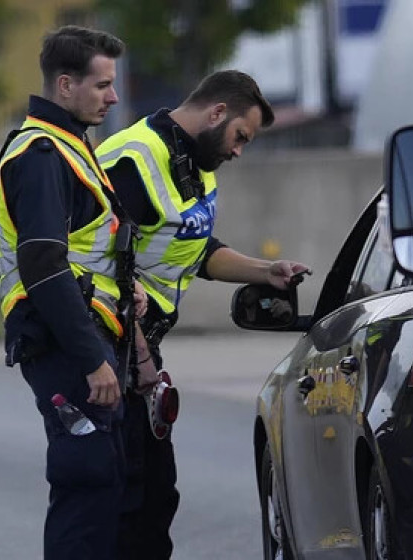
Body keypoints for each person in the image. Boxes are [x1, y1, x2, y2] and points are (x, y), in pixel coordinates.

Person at [95, 69, 310, 559]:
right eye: (240, 137)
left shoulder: (197, 164)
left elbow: (194, 247)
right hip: (110, 344)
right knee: (123, 501)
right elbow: (99, 261)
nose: (239, 151)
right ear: (216, 113)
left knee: (155, 498)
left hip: (141, 348)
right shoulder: (135, 158)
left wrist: (265, 271)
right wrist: (144, 363)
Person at [0, 25, 146, 559]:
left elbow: (83, 252)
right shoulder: (40, 155)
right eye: (102, 85)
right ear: (64, 85)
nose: (114, 96)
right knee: (86, 484)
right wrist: (90, 361)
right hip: (64, 344)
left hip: (84, 336)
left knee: (102, 485)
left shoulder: (68, 145)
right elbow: (44, 266)